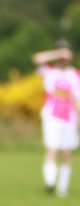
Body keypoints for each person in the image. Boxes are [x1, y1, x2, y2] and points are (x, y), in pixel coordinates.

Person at [32, 41, 80, 197]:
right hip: (52, 117)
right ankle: (50, 182)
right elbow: (37, 58)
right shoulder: (50, 71)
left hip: (69, 118)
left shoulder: (75, 74)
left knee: (66, 153)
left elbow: (77, 98)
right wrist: (58, 53)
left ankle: (62, 187)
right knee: (52, 149)